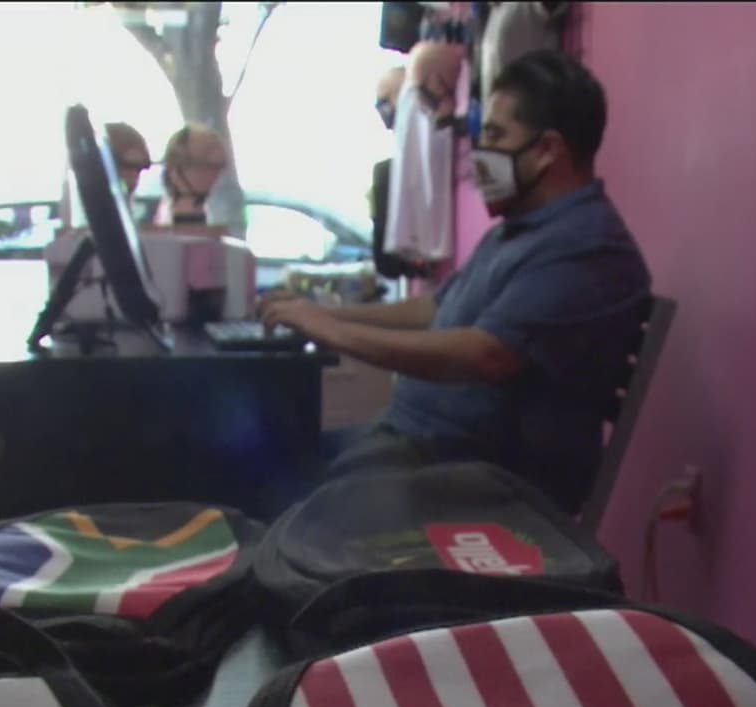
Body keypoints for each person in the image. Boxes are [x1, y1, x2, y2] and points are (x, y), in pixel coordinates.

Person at [260, 49, 652, 514]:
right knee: (260, 460)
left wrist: (330, 332)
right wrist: (325, 314)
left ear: (547, 150)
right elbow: (434, 309)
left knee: (265, 494)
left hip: (481, 479)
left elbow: (488, 355)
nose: (480, 152)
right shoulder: (521, 229)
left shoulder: (588, 248)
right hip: (418, 445)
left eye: (496, 136)